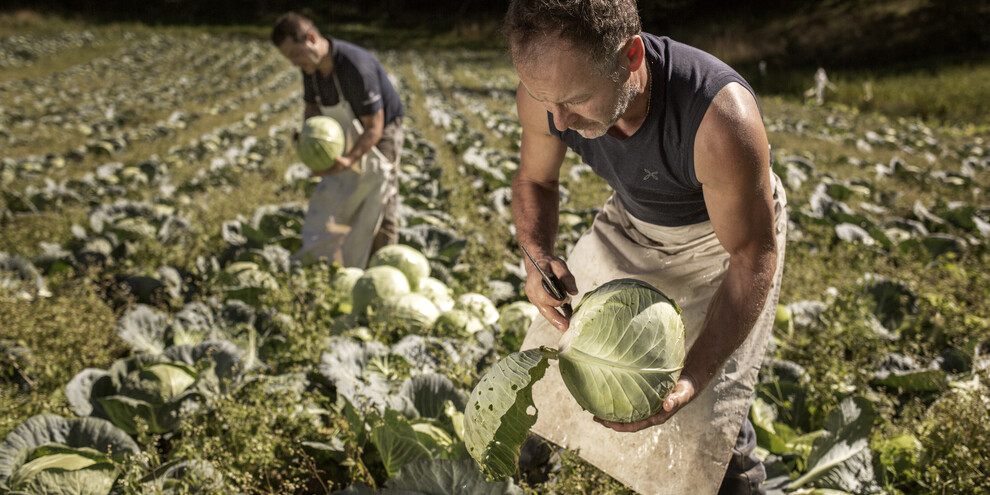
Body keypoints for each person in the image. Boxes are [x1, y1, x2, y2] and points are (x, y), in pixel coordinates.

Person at [504, 1, 787, 494]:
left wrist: (692, 381)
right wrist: (536, 255)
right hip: (634, 222)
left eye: (575, 100)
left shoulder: (720, 118)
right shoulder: (548, 98)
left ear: (631, 55)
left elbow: (751, 257)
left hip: (717, 242)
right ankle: (529, 478)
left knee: (708, 422)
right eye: (543, 99)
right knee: (552, 369)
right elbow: (534, 180)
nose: (560, 121)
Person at [271, 12, 404, 267]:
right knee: (343, 192)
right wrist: (307, 141)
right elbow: (312, 110)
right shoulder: (310, 67)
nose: (294, 63)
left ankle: (382, 262)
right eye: (289, 58)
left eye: (295, 54)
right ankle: (341, 258)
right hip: (346, 127)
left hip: (382, 128)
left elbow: (374, 128)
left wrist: (349, 159)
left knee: (381, 192)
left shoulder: (356, 66)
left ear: (311, 38)